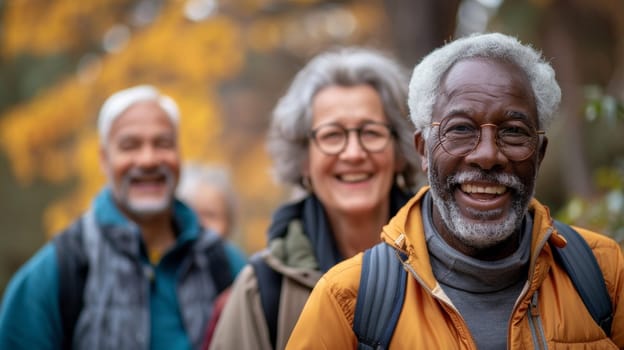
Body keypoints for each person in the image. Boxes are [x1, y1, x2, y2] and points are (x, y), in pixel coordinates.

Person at [287, 32, 624, 349]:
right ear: (422, 149)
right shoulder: (346, 301)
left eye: (513, 131)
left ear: (540, 154)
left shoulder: (606, 275)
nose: (488, 155)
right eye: (460, 129)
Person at [208, 47, 421, 350]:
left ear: (399, 152)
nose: (353, 153)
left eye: (371, 132)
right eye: (332, 135)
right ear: (303, 160)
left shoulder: (450, 268)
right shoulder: (263, 288)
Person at [0, 85, 236, 350]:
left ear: (179, 155)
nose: (148, 160)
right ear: (104, 159)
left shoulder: (225, 265)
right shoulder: (58, 272)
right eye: (129, 145)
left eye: (163, 144)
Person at [177, 162, 247, 273]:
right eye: (193, 214)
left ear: (229, 222)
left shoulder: (237, 268)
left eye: (210, 215)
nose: (200, 223)